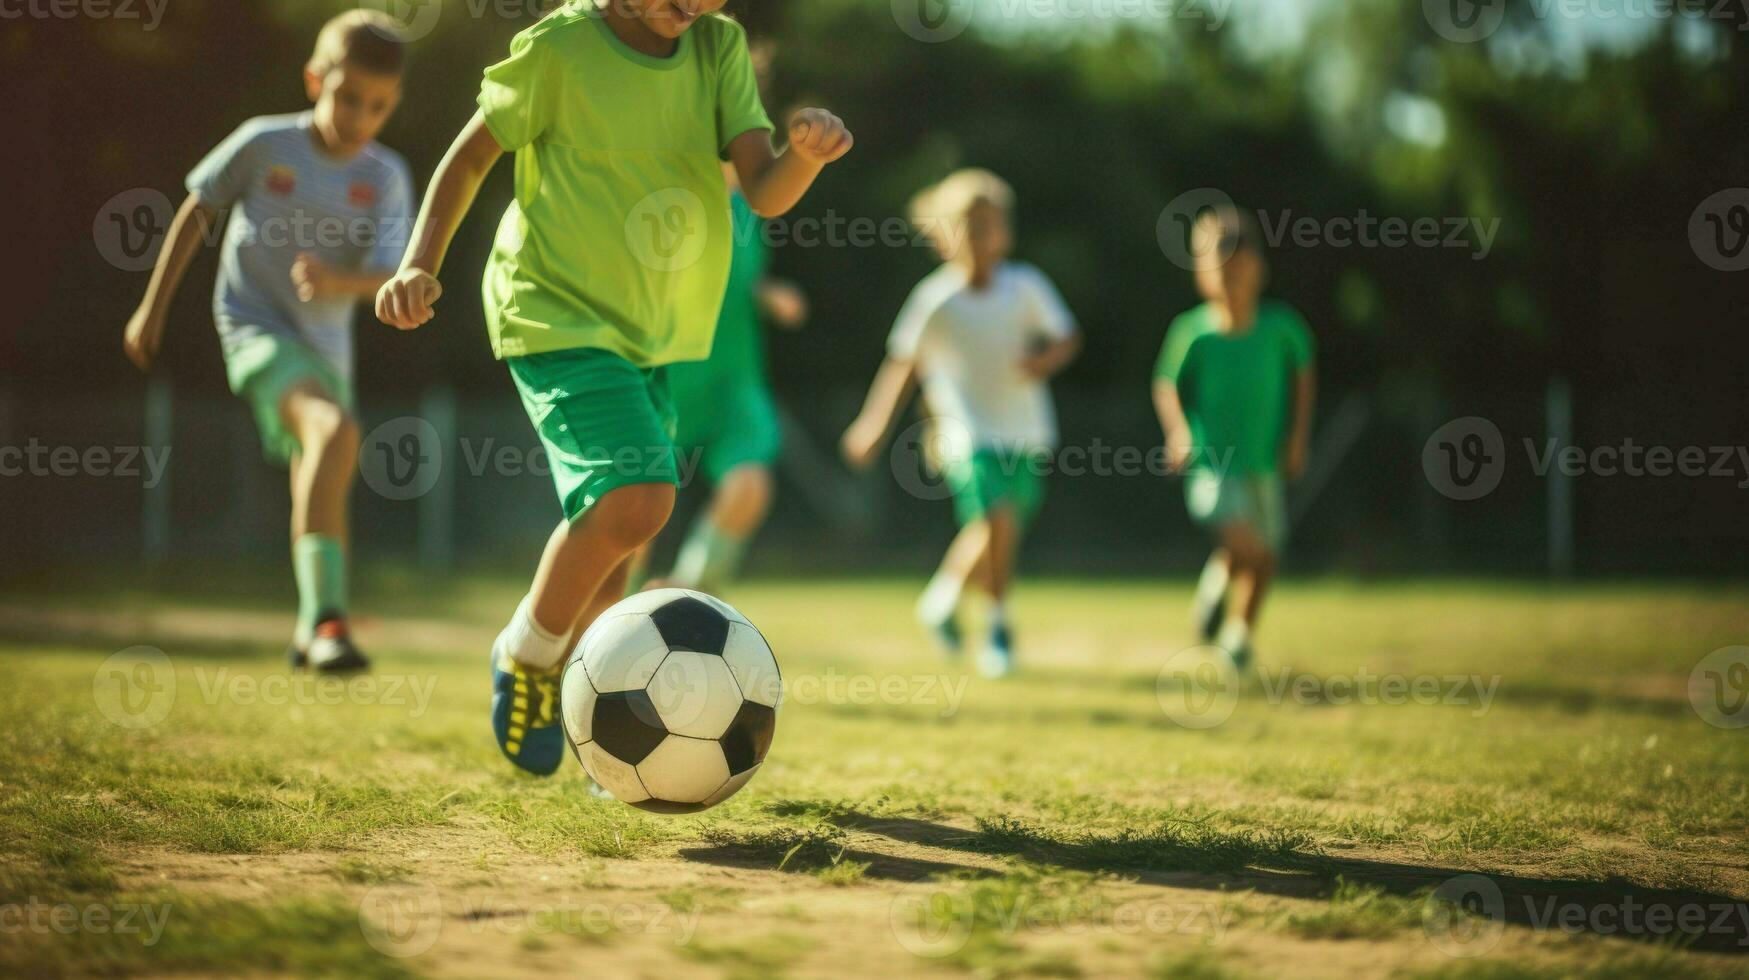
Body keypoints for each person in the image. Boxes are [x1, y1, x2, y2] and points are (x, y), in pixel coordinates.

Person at [375, 0, 852, 775]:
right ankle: (526, 654)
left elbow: (762, 190)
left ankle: (611, 738)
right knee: (639, 499)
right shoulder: (559, 48)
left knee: (622, 552)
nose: (698, 4)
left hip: (650, 336)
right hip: (554, 313)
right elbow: (468, 157)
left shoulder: (716, 48)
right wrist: (417, 264)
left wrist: (806, 156)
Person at [122, 10, 414, 674]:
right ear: (316, 80)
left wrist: (339, 280)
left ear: (391, 104)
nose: (359, 115)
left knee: (329, 461)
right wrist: (150, 308)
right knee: (335, 431)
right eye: (347, 97)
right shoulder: (263, 143)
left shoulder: (388, 176)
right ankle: (328, 623)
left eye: (376, 105)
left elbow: (389, 274)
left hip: (328, 351)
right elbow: (199, 209)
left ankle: (313, 624)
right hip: (254, 328)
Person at [842, 169, 1079, 678]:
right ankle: (997, 626)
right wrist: (873, 424)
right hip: (965, 434)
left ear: (1006, 232)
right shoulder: (935, 299)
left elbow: (1066, 337)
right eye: (969, 226)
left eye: (989, 225)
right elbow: (903, 364)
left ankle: (943, 600)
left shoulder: (1027, 287)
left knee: (999, 526)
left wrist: (1044, 361)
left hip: (1027, 432)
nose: (980, 236)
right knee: (997, 519)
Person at [1154, 205, 1316, 669]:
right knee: (1249, 547)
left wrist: (1297, 437)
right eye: (1218, 271)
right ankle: (1220, 587)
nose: (1230, 281)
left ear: (1258, 270)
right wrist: (1179, 431)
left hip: (1263, 461)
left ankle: (1237, 632)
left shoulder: (1280, 328)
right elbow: (1166, 383)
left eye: (1239, 270)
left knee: (1267, 557)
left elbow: (1304, 375)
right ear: (1202, 275)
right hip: (1212, 464)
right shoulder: (1193, 332)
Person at [642, 160, 808, 594]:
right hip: (662, 378)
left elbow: (736, 279)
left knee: (750, 486)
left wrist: (766, 294)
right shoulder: (658, 201)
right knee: (630, 507)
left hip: (732, 381)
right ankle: (607, 617)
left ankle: (687, 592)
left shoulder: (747, 211)